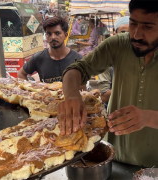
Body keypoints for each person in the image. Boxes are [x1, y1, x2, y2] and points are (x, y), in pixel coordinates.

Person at [58, 0, 158, 167]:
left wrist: (149, 118)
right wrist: (72, 95)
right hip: (112, 158)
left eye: (148, 27)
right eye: (133, 23)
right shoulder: (119, 44)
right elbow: (77, 69)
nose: (137, 34)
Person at [17, 16, 82, 83]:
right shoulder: (38, 58)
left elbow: (84, 86)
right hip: (47, 93)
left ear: (65, 35)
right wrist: (31, 90)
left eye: (57, 33)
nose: (53, 37)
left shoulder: (77, 59)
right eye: (49, 34)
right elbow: (21, 74)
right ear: (46, 36)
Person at [97, 16, 130, 108]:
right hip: (115, 113)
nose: (127, 36)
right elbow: (104, 96)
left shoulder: (144, 58)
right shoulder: (106, 61)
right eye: (123, 32)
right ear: (115, 34)